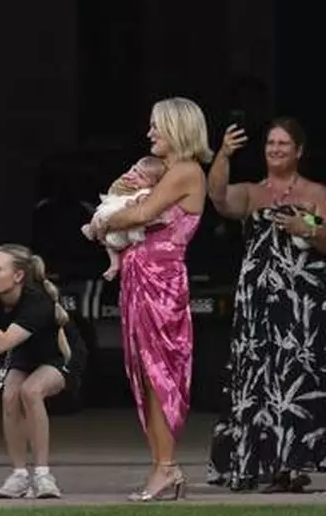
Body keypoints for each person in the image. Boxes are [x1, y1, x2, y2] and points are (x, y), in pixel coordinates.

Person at [90, 96, 211, 502]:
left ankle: (166, 467)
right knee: (146, 373)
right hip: (141, 278)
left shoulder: (185, 171)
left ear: (177, 128)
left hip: (160, 281)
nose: (149, 134)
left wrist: (109, 217)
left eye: (156, 126)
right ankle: (163, 466)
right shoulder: (167, 173)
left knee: (159, 373)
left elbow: (138, 215)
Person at [206, 117, 326, 492]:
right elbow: (218, 198)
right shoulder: (252, 193)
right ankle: (255, 463)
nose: (275, 149)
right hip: (257, 299)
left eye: (284, 144)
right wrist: (223, 154)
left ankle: (293, 465)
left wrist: (306, 228)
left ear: (299, 151)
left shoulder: (316, 193)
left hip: (302, 302)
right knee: (257, 374)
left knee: (297, 378)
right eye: (271, 143)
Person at [0, 245, 85, 500]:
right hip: (24, 353)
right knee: (10, 394)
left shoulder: (38, 300)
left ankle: (43, 475)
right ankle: (19, 475)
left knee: (31, 391)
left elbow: (1, 344)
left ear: (18, 276)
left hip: (59, 353)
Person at [80, 156, 167, 280]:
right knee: (104, 232)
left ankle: (93, 230)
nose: (134, 175)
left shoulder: (144, 193)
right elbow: (114, 191)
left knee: (103, 225)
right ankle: (114, 264)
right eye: (134, 170)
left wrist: (135, 205)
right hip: (112, 231)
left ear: (152, 184)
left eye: (141, 177)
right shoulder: (126, 185)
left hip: (123, 232)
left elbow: (145, 207)